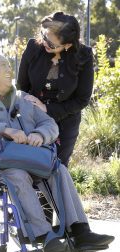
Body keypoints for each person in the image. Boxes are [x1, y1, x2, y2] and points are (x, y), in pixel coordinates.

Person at [0, 51, 114, 252]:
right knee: (18, 176)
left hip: (30, 157)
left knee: (59, 170)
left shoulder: (22, 98)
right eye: (2, 65)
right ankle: (44, 235)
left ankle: (79, 230)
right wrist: (3, 129)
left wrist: (40, 134)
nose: (9, 68)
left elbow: (49, 124)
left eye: (8, 65)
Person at [17, 12, 94, 167]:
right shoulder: (33, 47)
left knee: (57, 167)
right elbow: (22, 86)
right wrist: (33, 109)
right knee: (32, 166)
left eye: (51, 44)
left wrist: (47, 108)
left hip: (66, 120)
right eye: (44, 36)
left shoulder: (83, 55)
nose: (45, 43)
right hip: (33, 118)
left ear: (67, 45)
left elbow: (82, 99)